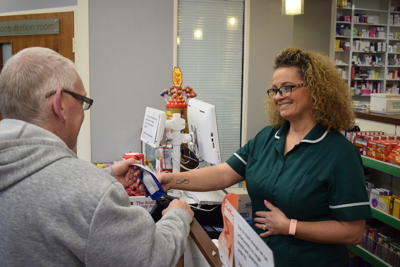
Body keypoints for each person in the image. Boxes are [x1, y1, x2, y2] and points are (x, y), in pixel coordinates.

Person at [156, 47, 372, 267]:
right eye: (275, 90)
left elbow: (353, 232)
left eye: (288, 87)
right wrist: (170, 180)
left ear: (317, 89)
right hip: (259, 258)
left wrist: (290, 226)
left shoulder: (339, 153)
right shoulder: (268, 137)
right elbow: (223, 174)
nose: (279, 96)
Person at [0, 47, 194, 267]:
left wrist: (106, 176)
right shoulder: (91, 193)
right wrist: (178, 216)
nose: (83, 111)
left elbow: (41, 187)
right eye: (82, 101)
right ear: (59, 104)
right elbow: (151, 259)